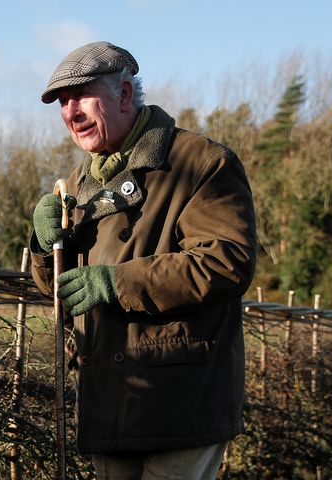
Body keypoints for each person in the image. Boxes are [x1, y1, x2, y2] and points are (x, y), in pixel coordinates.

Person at [30, 41, 257, 479]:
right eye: (62, 101)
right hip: (110, 401)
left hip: (180, 401)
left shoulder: (199, 162)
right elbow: (62, 291)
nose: (70, 111)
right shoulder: (78, 183)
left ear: (126, 95)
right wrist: (44, 247)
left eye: (81, 95)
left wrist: (115, 283)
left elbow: (227, 261)